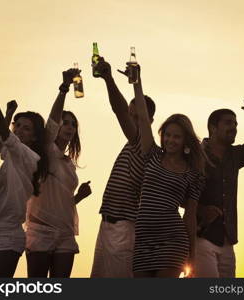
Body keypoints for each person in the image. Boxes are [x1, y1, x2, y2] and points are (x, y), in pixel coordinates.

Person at [132, 66, 204, 278]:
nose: (171, 140)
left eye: (177, 137)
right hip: (143, 240)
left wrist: (192, 255)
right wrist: (137, 81)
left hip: (172, 241)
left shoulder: (193, 174)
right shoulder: (152, 155)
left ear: (185, 141)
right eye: (168, 135)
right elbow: (143, 119)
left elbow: (190, 216)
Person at [0, 76, 48, 277]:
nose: (19, 130)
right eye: (17, 125)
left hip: (10, 234)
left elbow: (4, 135)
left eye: (26, 128)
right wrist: (9, 114)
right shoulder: (10, 152)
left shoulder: (29, 156)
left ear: (34, 137)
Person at [90, 58, 156, 278]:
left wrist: (109, 79)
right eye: (131, 112)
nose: (130, 116)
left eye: (136, 113)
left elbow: (118, 110)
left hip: (124, 228)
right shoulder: (131, 143)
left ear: (149, 119)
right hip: (107, 224)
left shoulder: (144, 145)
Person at [25, 68, 92, 278]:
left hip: (65, 232)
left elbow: (61, 201)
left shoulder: (69, 164)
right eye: (66, 122)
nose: (69, 127)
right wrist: (64, 89)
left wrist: (78, 197)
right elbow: (52, 122)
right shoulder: (46, 150)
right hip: (41, 230)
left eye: (73, 124)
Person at [194, 102, 244, 278]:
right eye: (228, 123)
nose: (234, 127)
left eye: (235, 124)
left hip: (228, 241)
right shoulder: (196, 155)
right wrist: (201, 209)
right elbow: (178, 192)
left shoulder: (236, 155)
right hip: (202, 237)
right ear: (213, 128)